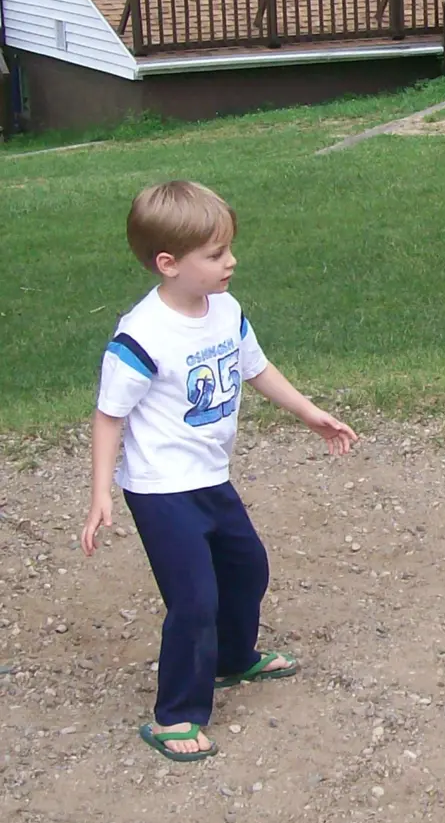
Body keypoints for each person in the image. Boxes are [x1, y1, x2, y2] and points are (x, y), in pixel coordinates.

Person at [80, 181, 357, 761]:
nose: (231, 261)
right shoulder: (141, 336)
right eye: (215, 254)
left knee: (247, 568)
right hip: (161, 490)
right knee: (195, 598)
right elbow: (109, 417)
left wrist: (311, 414)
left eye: (228, 248)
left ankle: (234, 659)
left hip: (210, 478)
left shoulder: (225, 311)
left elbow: (257, 368)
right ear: (169, 264)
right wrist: (101, 492)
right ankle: (175, 715)